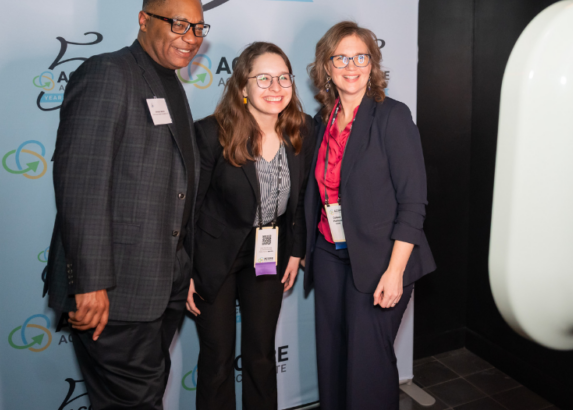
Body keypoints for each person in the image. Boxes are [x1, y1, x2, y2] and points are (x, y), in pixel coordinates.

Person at [43, 0, 209, 410]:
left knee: (145, 395)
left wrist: (184, 264)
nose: (189, 38)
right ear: (143, 19)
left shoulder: (170, 81)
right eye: (178, 24)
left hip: (162, 283)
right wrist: (91, 283)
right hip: (114, 291)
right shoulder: (108, 73)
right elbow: (81, 181)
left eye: (198, 28)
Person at [304, 21, 436, 410]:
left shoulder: (392, 116)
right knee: (332, 359)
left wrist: (395, 271)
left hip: (382, 260)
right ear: (326, 67)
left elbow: (414, 202)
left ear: (372, 64)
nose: (352, 65)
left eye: (361, 56)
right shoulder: (321, 121)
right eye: (341, 57)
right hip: (329, 255)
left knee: (368, 365)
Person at [187, 42, 314, 410]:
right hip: (215, 255)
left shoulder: (301, 130)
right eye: (264, 79)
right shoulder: (211, 134)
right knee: (218, 358)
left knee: (261, 353)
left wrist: (295, 249)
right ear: (242, 87)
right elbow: (189, 208)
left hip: (269, 251)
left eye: (283, 78)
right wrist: (186, 269)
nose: (276, 88)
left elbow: (302, 198)